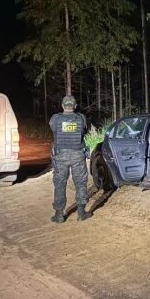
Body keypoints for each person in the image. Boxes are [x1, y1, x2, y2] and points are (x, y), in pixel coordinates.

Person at [49, 95, 92, 223]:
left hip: (60, 156)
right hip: (78, 155)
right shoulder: (81, 118)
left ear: (63, 106)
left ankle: (59, 215)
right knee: (81, 183)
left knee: (60, 184)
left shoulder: (55, 119)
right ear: (75, 106)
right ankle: (81, 213)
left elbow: (53, 129)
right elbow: (84, 130)